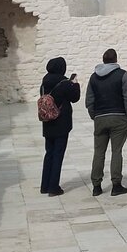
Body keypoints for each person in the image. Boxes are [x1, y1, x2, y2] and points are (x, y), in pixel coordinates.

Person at [86, 47, 127, 196]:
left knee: (99, 152)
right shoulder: (122, 75)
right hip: (119, 117)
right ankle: (116, 184)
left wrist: (94, 115)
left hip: (100, 118)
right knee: (116, 151)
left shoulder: (93, 77)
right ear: (115, 60)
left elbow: (89, 100)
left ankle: (96, 185)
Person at [39, 57, 80, 196]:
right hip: (61, 123)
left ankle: (44, 185)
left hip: (48, 122)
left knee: (49, 153)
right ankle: (53, 187)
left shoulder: (44, 83)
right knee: (58, 154)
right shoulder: (64, 83)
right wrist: (75, 84)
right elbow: (75, 98)